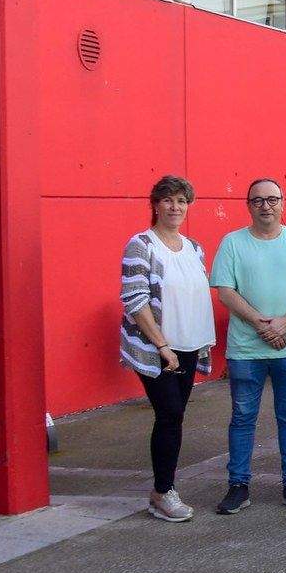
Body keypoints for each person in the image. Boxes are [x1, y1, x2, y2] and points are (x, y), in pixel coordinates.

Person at [210, 178, 286, 514]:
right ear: (248, 205)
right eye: (258, 200)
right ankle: (238, 486)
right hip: (246, 349)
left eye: (272, 199)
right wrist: (263, 325)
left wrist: (285, 323)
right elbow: (226, 291)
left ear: (282, 202)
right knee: (242, 417)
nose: (266, 206)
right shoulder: (232, 243)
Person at [120, 175, 215, 523]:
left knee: (175, 416)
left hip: (189, 344)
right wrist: (162, 344)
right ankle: (163, 492)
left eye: (182, 201)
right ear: (155, 205)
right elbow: (135, 300)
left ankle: (163, 489)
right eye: (168, 200)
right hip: (157, 346)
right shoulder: (141, 245)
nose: (175, 207)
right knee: (170, 414)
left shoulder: (194, 247)